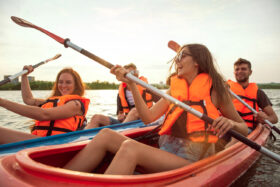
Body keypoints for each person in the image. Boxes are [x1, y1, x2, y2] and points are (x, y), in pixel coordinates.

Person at [63, 44, 248, 175]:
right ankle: (59, 180)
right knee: (105, 134)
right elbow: (148, 117)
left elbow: (244, 128)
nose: (177, 60)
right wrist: (132, 85)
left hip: (191, 160)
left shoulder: (216, 90)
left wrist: (231, 123)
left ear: (197, 62)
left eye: (182, 56)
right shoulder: (174, 90)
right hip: (165, 150)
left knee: (130, 148)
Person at [0, 66, 90, 144]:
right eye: (60, 82)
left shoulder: (76, 105)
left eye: (68, 82)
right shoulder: (51, 103)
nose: (63, 85)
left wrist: (2, 102)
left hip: (54, 144)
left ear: (76, 85)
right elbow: (28, 99)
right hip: (44, 142)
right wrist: (24, 76)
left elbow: (44, 114)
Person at [85, 63, 160, 129]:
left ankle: (117, 134)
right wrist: (120, 115)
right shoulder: (121, 93)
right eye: (131, 72)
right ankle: (80, 140)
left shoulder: (146, 88)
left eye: (136, 72)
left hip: (145, 121)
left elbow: (163, 103)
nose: (134, 74)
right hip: (127, 122)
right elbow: (119, 112)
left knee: (135, 110)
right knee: (96, 118)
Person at [227, 58, 278, 133]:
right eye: (237, 69)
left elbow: (274, 119)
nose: (240, 71)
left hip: (248, 129)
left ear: (250, 72)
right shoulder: (226, 90)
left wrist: (265, 119)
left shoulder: (258, 93)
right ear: (234, 72)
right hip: (228, 126)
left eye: (243, 69)